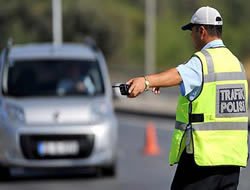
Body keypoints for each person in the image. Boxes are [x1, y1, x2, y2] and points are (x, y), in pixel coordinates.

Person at [126, 6, 248, 190]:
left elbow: (178, 74)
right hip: (232, 162)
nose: (191, 36)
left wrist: (146, 81)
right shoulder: (236, 64)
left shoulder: (203, 61)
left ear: (202, 31)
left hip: (203, 161)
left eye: (192, 31)